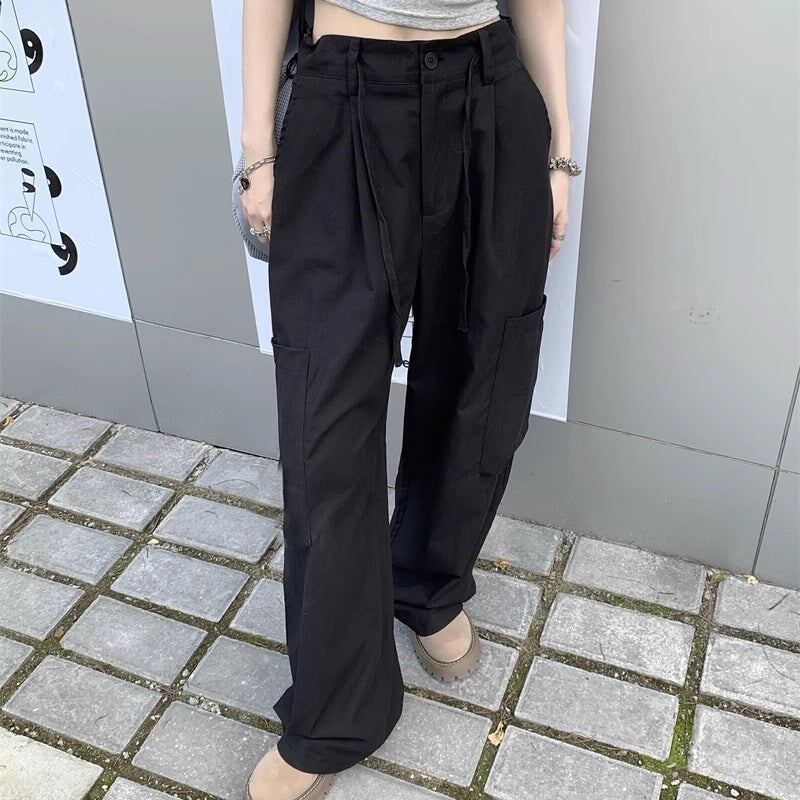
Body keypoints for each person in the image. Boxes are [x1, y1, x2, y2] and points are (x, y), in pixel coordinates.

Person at [240, 1, 577, 797]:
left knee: (483, 376)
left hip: (489, 91)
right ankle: (337, 708)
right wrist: (259, 152)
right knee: (325, 418)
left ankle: (426, 580)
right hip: (344, 96)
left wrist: (560, 152)